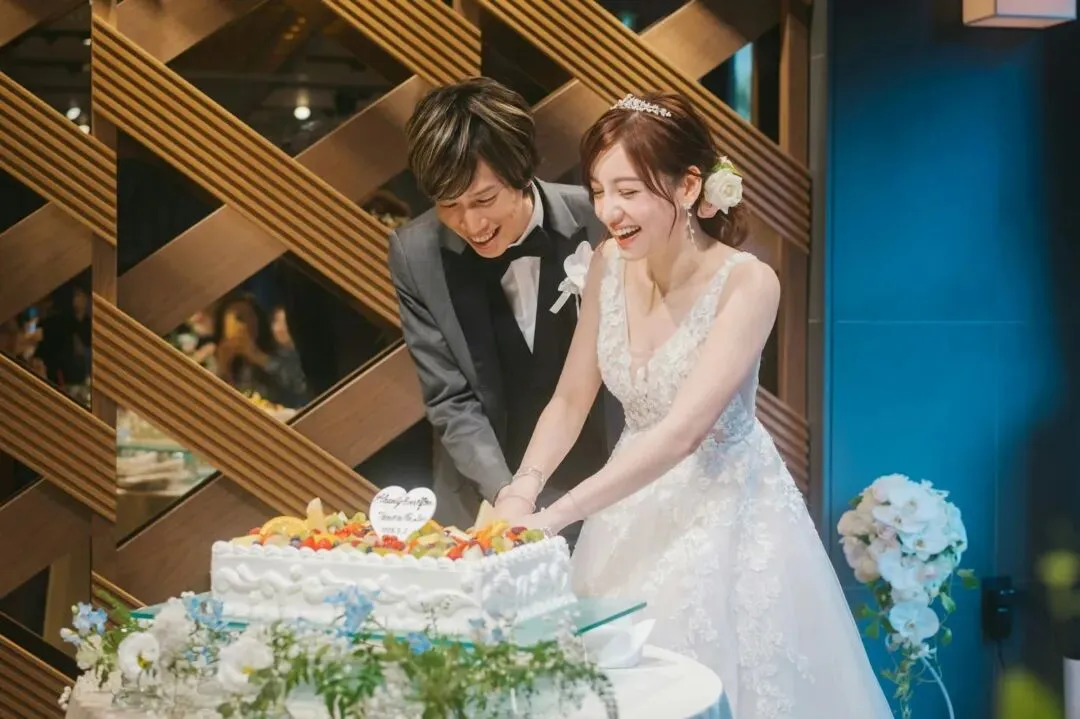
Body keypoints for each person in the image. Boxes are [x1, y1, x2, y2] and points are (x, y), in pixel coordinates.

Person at [493, 93, 893, 718]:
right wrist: (524, 486)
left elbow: (683, 433)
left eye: (628, 191)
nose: (609, 210)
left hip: (725, 513)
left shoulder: (748, 282)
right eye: (598, 191)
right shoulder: (607, 264)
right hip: (625, 506)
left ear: (687, 185)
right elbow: (571, 398)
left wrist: (557, 516)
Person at [388, 77, 619, 532]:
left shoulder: (601, 223)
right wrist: (508, 495)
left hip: (606, 488)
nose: (471, 223)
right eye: (449, 205)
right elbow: (450, 398)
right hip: (485, 502)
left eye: (484, 199)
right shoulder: (416, 254)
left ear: (522, 171)